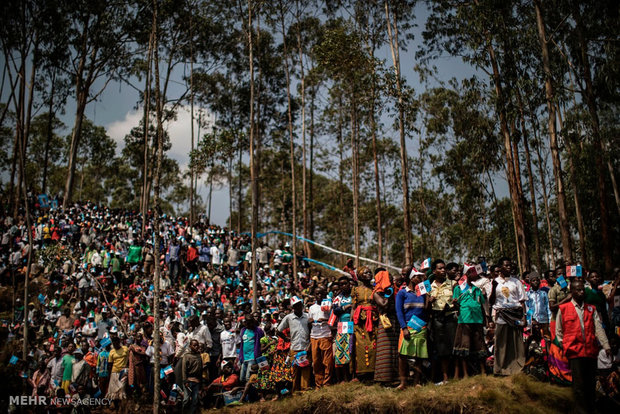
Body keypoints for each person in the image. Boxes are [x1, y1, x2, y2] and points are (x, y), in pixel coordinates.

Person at [556, 278, 611, 414]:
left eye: (582, 289)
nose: (581, 292)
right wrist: (564, 345)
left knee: (590, 384)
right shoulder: (563, 309)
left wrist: (606, 345)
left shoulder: (591, 309)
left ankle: (591, 409)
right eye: (578, 290)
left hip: (590, 352)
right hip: (574, 353)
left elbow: (598, 328)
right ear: (572, 292)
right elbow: (559, 331)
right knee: (579, 386)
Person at [490, 257, 526, 376]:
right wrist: (494, 287)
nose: (509, 267)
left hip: (515, 314)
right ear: (500, 268)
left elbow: (522, 301)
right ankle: (500, 369)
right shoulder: (495, 282)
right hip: (502, 314)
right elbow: (491, 301)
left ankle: (517, 368)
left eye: (510, 265)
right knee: (501, 342)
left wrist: (524, 317)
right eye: (506, 265)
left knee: (516, 341)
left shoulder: (516, 282)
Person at [452, 264, 488, 378]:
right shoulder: (458, 288)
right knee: (464, 347)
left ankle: (483, 372)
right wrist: (455, 303)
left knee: (480, 346)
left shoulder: (477, 289)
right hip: (465, 320)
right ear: (467, 274)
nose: (476, 274)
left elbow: (481, 304)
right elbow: (456, 305)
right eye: (473, 272)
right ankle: (466, 374)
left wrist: (485, 319)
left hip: (477, 320)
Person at [395, 268, 429, 389]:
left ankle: (416, 382)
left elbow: (426, 309)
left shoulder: (422, 292)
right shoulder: (402, 293)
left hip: (420, 326)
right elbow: (399, 312)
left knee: (419, 356)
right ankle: (403, 382)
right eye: (417, 277)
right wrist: (404, 328)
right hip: (408, 326)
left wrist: (428, 296)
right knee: (403, 355)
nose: (420, 279)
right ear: (411, 278)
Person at [429, 259, 457, 383]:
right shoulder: (429, 286)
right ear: (434, 271)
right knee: (441, 349)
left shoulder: (453, 284)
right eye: (440, 268)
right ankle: (445, 377)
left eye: (444, 268)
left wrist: (454, 304)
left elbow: (459, 300)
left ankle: (457, 375)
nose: (443, 270)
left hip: (450, 317)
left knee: (454, 346)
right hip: (436, 319)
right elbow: (426, 304)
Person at [277, 296, 311, 392]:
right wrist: (285, 339)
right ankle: (295, 390)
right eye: (296, 306)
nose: (298, 307)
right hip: (295, 347)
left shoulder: (307, 316)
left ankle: (305, 389)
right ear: (293, 307)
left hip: (306, 346)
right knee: (295, 370)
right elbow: (278, 330)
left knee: (306, 368)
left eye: (299, 305)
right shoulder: (289, 318)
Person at [373, 269, 399, 384]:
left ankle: (396, 377)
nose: (391, 279)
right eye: (389, 277)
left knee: (395, 349)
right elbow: (384, 304)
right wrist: (388, 293)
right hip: (385, 323)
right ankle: (384, 378)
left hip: (395, 321)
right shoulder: (376, 293)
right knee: (385, 350)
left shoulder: (394, 290)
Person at [352, 266, 377, 377]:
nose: (369, 274)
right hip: (360, 321)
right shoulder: (356, 290)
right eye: (366, 273)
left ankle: (374, 371)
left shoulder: (375, 288)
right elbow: (354, 307)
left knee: (373, 344)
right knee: (361, 346)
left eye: (370, 272)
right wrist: (351, 322)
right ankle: (362, 373)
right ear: (360, 276)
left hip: (373, 319)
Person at [308, 287, 334, 388]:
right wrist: (310, 320)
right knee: (316, 362)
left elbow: (333, 320)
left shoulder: (328, 306)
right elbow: (309, 319)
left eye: (321, 294)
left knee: (327, 361)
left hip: (325, 335)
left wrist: (325, 319)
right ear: (314, 295)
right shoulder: (312, 308)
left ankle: (327, 382)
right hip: (314, 336)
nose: (319, 296)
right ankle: (318, 384)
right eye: (317, 294)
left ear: (324, 295)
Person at [333, 277, 354, 382]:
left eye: (345, 283)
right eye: (341, 284)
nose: (343, 286)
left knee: (352, 349)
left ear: (349, 284)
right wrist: (346, 307)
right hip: (342, 327)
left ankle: (355, 376)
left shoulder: (354, 295)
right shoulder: (338, 298)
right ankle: (345, 378)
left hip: (354, 325)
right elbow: (335, 310)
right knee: (343, 350)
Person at [177, 339, 203, 414]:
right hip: (188, 380)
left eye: (197, 345)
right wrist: (185, 381)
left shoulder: (199, 356)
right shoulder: (187, 356)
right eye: (194, 345)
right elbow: (184, 369)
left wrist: (201, 382)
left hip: (197, 380)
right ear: (190, 346)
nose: (196, 347)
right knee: (186, 399)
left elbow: (200, 369)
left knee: (195, 400)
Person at [238, 314, 265, 383]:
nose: (247, 324)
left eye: (249, 322)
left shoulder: (258, 331)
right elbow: (242, 344)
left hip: (253, 357)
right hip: (244, 357)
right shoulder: (243, 330)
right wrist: (240, 356)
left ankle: (251, 393)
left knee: (248, 377)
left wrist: (258, 355)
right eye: (246, 322)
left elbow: (262, 342)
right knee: (242, 378)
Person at [525, 272, 551, 338]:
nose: (536, 282)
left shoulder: (544, 294)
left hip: (544, 320)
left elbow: (548, 307)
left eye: (537, 280)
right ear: (530, 283)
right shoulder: (527, 294)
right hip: (533, 322)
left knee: (546, 339)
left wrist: (549, 320)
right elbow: (527, 308)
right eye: (533, 281)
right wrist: (530, 320)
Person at [107, 335, 128, 402]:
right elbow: (110, 364)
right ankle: (114, 404)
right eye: (113, 343)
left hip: (123, 371)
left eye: (116, 343)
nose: (115, 344)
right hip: (114, 371)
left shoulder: (125, 349)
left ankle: (123, 404)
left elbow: (129, 358)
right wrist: (109, 374)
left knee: (122, 388)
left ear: (119, 342)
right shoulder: (111, 352)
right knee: (113, 389)